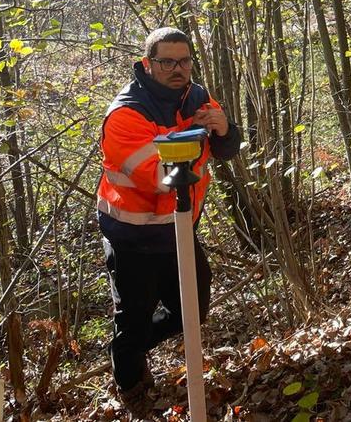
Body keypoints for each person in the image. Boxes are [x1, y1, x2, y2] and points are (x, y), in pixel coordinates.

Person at [96, 27, 241, 416]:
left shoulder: (195, 96)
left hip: (180, 227)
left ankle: (131, 348)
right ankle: (131, 384)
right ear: (147, 64)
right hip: (132, 234)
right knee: (134, 318)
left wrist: (223, 127)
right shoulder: (126, 114)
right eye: (167, 62)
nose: (178, 69)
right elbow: (162, 178)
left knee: (192, 308)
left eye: (184, 60)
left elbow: (226, 148)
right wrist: (193, 130)